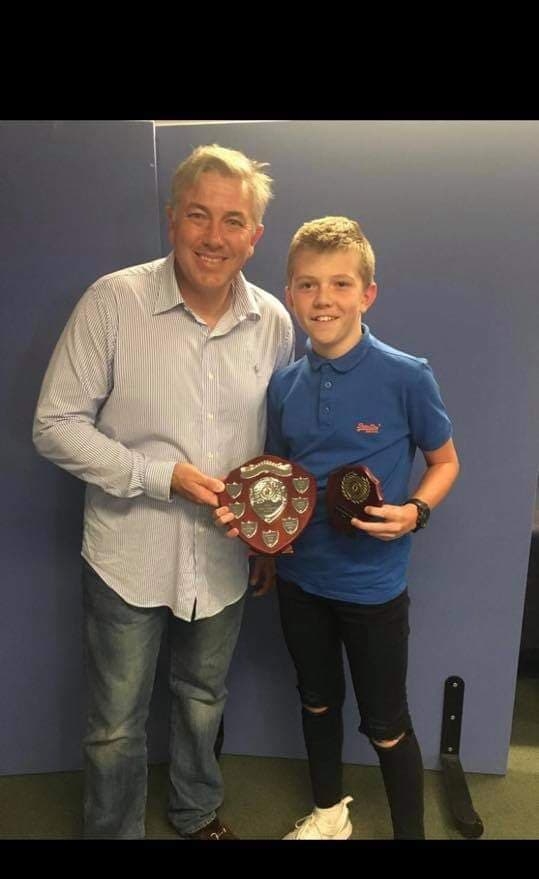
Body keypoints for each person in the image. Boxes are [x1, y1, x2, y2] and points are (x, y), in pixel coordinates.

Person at [32, 144, 295, 840]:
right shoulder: (113, 302)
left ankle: (195, 812)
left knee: (204, 699)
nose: (214, 237)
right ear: (172, 217)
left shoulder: (274, 322)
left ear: (254, 236)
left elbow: (273, 443)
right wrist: (162, 477)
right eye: (199, 215)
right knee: (115, 725)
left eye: (233, 221)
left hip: (224, 558)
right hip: (128, 552)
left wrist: (266, 540)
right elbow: (54, 426)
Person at [217, 215, 459, 839]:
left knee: (386, 724)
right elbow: (278, 480)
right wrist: (265, 550)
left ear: (367, 294)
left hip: (372, 587)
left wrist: (415, 512)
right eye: (308, 285)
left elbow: (445, 462)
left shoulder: (407, 374)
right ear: (291, 293)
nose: (323, 299)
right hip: (301, 579)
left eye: (340, 284)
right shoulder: (284, 385)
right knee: (316, 700)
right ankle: (329, 816)